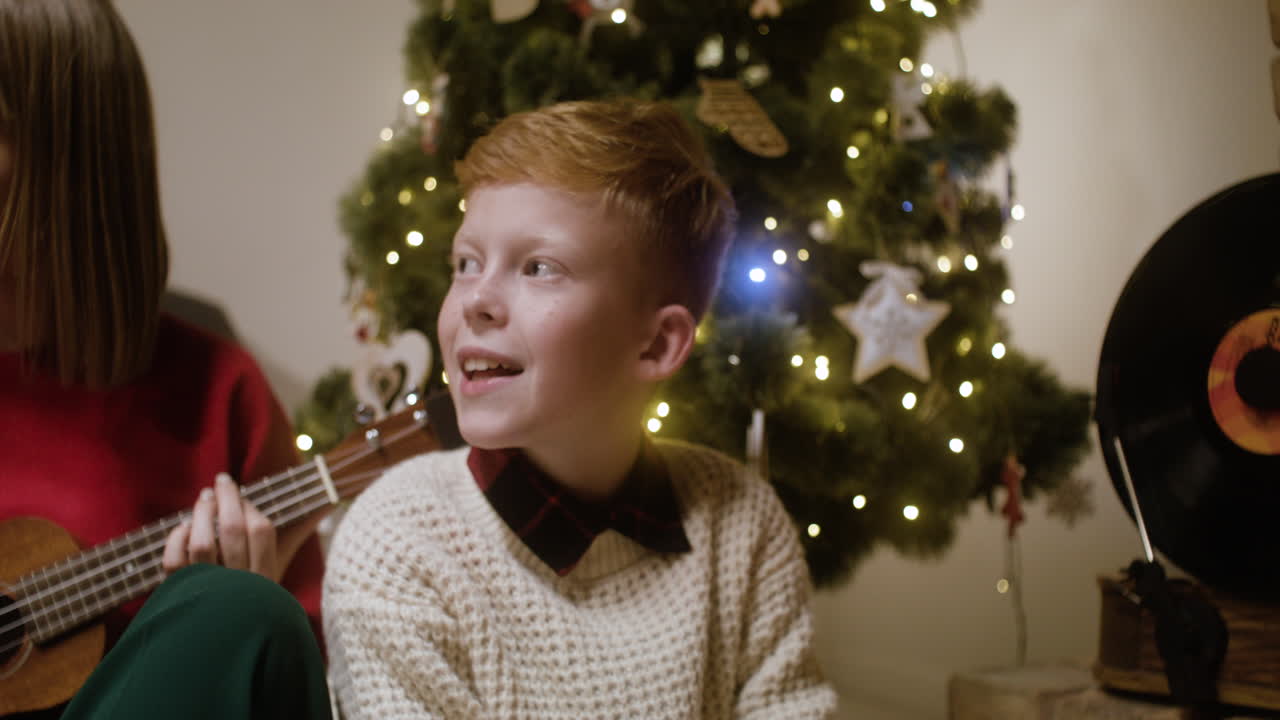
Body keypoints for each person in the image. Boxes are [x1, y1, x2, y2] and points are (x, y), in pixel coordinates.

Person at [323, 99, 839, 718]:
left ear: (656, 344)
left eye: (539, 268)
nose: (476, 301)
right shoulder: (396, 542)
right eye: (466, 263)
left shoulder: (741, 524)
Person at [0, 1, 330, 717]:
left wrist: (234, 601)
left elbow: (290, 662)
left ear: (67, 154)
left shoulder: (216, 392)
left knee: (243, 616)